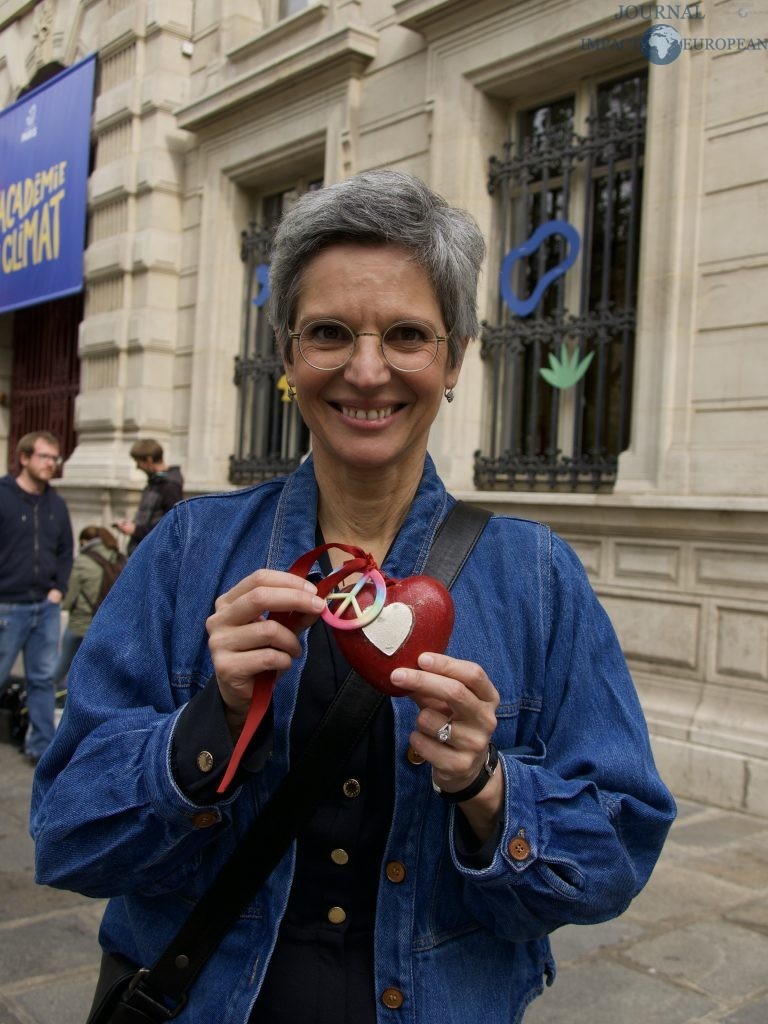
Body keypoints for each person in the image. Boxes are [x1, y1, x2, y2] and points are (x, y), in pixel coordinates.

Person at [31, 171, 676, 1023]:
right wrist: (208, 727)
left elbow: (618, 849)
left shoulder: (537, 577)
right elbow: (67, 836)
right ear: (289, 356)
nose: (367, 372)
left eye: (407, 335)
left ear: (453, 359)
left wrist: (488, 787)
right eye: (330, 332)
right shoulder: (190, 552)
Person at [0, 431, 73, 765]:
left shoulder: (56, 503)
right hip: (7, 606)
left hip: (44, 606)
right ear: (24, 457)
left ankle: (41, 748)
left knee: (43, 679)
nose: (50, 464)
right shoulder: (3, 496)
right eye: (44, 457)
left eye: (54, 458)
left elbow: (65, 551)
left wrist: (57, 588)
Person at [53, 526, 123, 692]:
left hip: (80, 622)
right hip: (106, 624)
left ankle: (49, 692)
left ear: (85, 541)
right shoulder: (118, 558)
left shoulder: (82, 561)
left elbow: (69, 597)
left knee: (62, 664)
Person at [114, 438, 183, 554]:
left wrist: (135, 530)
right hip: (142, 551)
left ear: (149, 460)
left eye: (138, 462)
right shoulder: (154, 483)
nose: (137, 467)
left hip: (152, 555)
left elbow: (170, 527)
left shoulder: (170, 487)